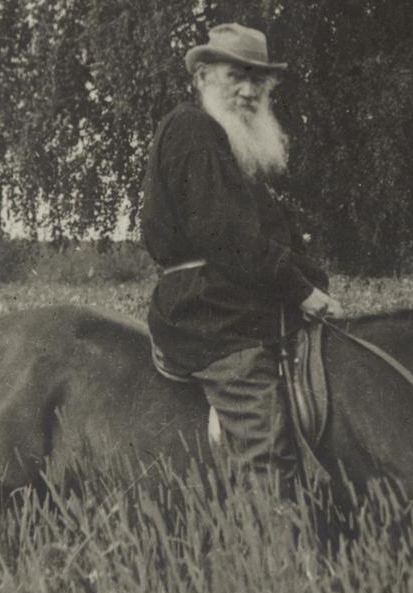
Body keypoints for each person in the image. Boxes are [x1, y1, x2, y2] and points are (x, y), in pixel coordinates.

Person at [140, 23, 342, 499]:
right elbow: (226, 237)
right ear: (203, 76)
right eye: (236, 76)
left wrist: (312, 283)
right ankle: (269, 539)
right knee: (263, 447)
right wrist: (303, 292)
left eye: (259, 79)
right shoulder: (194, 130)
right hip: (210, 314)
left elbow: (262, 239)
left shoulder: (229, 145)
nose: (249, 91)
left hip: (237, 304)